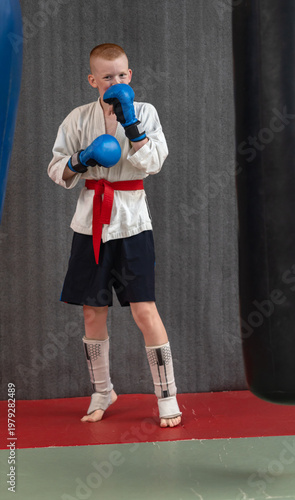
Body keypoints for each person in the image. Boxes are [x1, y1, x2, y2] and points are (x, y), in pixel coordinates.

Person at [47, 43, 182, 428]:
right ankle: (102, 389)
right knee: (93, 310)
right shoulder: (77, 118)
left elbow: (154, 162)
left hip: (132, 220)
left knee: (143, 308)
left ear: (131, 76)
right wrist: (79, 160)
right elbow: (57, 169)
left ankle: (167, 394)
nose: (116, 81)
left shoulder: (145, 113)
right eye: (108, 77)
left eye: (122, 75)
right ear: (94, 81)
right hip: (90, 222)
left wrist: (131, 126)